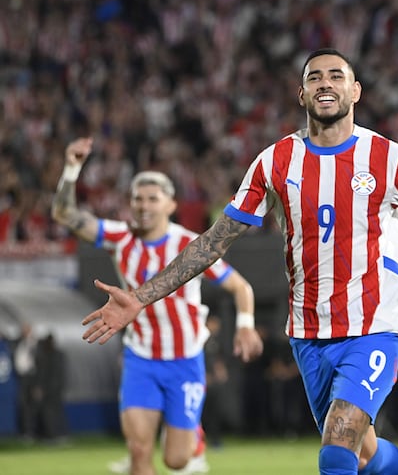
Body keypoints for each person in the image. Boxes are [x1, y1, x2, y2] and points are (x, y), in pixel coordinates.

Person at [80, 49, 398, 475]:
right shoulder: (275, 161)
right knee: (364, 451)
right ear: (301, 94)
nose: (325, 83)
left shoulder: (391, 159)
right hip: (309, 333)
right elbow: (217, 238)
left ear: (356, 92)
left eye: (337, 76)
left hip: (375, 326)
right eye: (314, 77)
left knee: (336, 448)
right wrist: (142, 295)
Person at [51, 140, 263, 475]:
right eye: (137, 198)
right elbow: (65, 214)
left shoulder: (191, 246)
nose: (144, 205)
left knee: (176, 461)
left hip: (186, 360)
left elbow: (240, 286)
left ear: (171, 204)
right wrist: (72, 170)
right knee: (139, 452)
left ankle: (193, 437)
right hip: (141, 359)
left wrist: (246, 324)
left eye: (153, 198)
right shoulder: (119, 238)